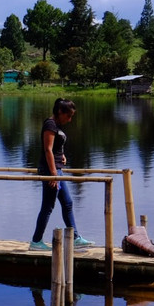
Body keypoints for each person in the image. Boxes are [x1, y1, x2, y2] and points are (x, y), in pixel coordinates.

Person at [29, 98, 93, 250]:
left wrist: (62, 155)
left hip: (57, 170)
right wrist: (53, 175)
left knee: (68, 203)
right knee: (48, 206)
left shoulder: (56, 125)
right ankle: (36, 241)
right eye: (68, 116)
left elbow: (56, 148)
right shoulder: (50, 125)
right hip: (50, 171)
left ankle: (76, 237)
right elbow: (47, 149)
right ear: (60, 112)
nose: (70, 120)